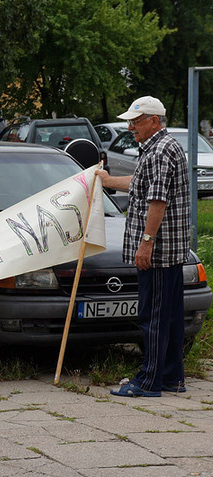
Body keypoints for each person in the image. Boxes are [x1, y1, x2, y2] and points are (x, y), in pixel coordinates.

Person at [96, 96, 191, 397]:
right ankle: (172, 378)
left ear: (153, 121)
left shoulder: (160, 151)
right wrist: (108, 180)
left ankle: (148, 382)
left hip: (159, 252)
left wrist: (146, 244)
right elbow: (140, 183)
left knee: (153, 317)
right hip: (169, 252)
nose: (130, 127)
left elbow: (157, 201)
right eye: (130, 122)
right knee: (171, 317)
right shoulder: (159, 148)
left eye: (136, 122)